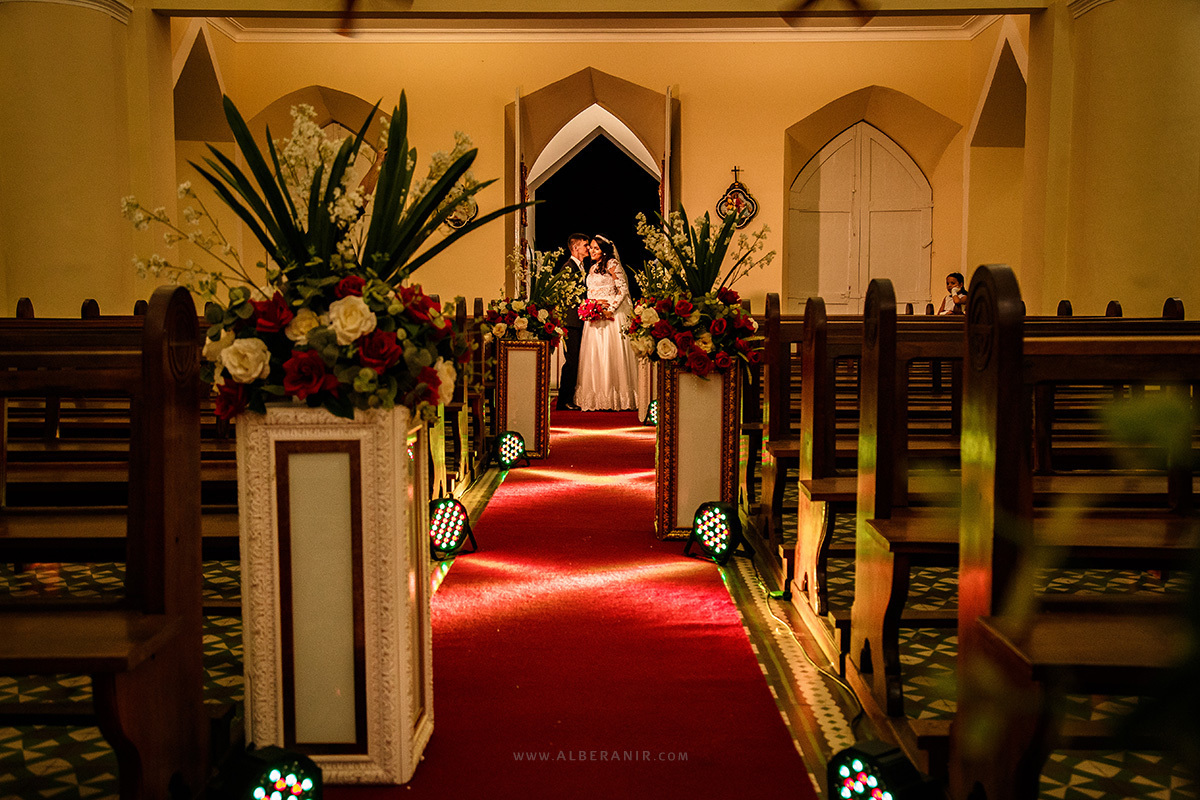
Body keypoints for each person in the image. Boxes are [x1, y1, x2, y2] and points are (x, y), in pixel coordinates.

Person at [575, 235, 638, 411]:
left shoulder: (612, 264)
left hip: (611, 315)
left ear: (604, 250)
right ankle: (597, 395)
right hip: (594, 316)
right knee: (595, 354)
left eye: (595, 248)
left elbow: (623, 288)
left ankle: (617, 395)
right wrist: (590, 306)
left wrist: (611, 307)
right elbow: (590, 292)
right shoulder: (592, 267)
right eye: (591, 248)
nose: (591, 251)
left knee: (610, 353)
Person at [554, 233, 590, 410]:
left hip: (580, 321)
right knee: (572, 361)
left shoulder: (582, 267)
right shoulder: (568, 268)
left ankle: (572, 396)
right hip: (571, 322)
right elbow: (570, 298)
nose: (588, 248)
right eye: (585, 245)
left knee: (577, 360)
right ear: (575, 248)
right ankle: (563, 400)